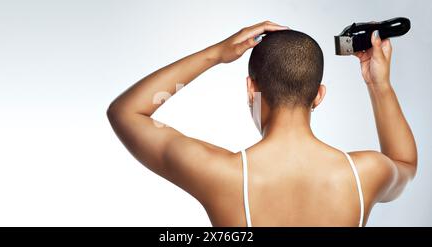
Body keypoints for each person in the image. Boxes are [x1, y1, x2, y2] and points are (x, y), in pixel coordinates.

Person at [107, 21, 417, 226]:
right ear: (318, 96)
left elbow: (126, 112)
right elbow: (405, 162)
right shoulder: (364, 174)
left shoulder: (220, 174)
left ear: (251, 89)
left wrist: (215, 55)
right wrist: (379, 85)